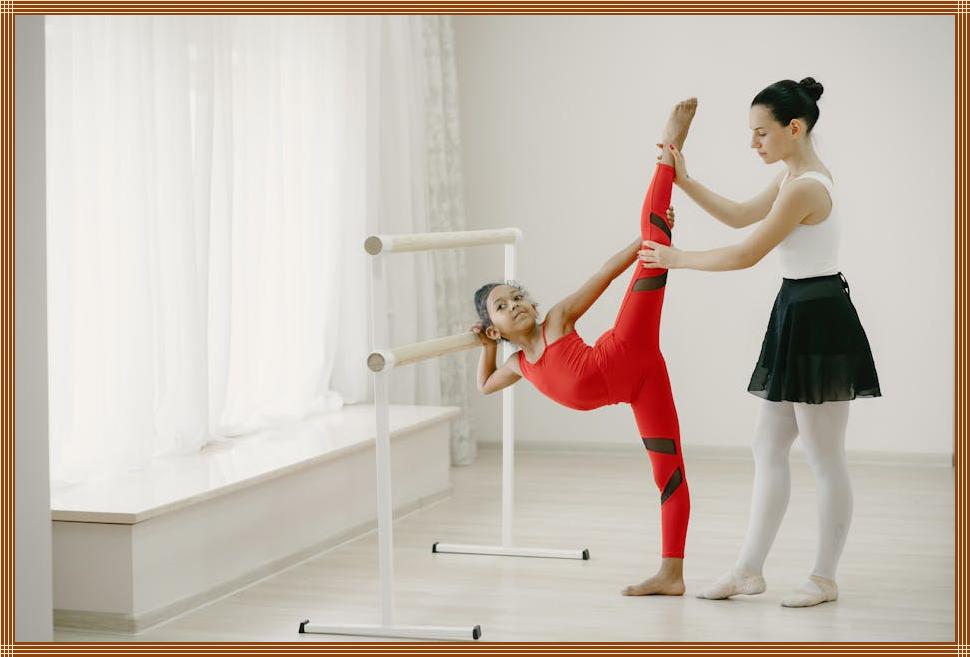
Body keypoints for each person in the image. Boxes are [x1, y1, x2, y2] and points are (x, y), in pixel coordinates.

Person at [639, 78, 881, 607]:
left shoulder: (805, 187)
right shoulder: (791, 177)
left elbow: (746, 254)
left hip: (819, 318)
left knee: (824, 456)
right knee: (768, 445)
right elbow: (740, 215)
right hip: (796, 309)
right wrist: (686, 181)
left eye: (761, 133)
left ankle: (824, 578)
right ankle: (749, 570)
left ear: (794, 128)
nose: (753, 143)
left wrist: (676, 259)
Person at [472, 98, 698, 596]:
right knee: (669, 474)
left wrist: (641, 244)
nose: (515, 305)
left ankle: (670, 145)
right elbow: (485, 385)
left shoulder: (556, 320)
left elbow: (602, 275)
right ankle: (672, 575)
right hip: (640, 386)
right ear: (495, 329)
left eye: (516, 297)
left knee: (653, 247)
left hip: (627, 348)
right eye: (502, 307)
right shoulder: (519, 365)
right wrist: (484, 347)